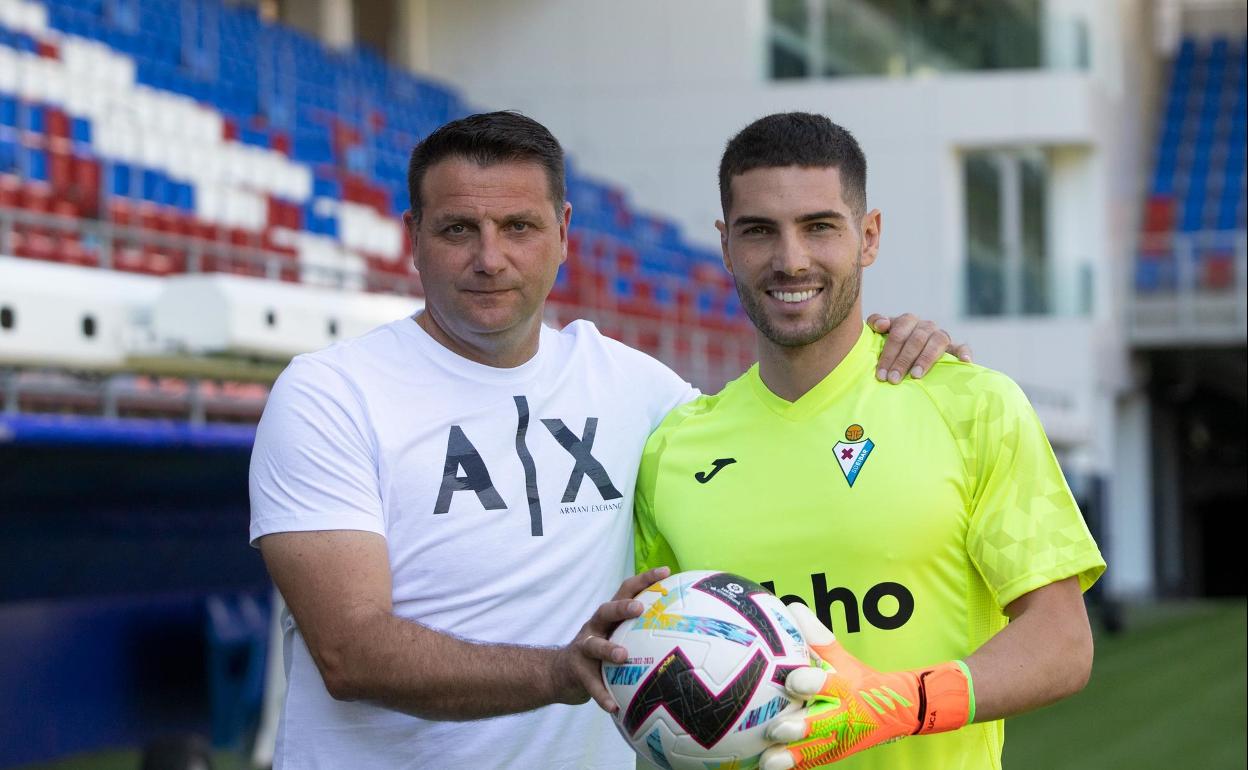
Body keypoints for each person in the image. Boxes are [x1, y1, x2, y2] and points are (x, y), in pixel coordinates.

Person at [249, 110, 967, 770]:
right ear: (413, 238)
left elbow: (783, 423)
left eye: (519, 227)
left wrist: (887, 349)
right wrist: (558, 672)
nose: (490, 258)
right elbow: (349, 652)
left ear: (564, 231)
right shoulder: (331, 394)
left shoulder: (635, 388)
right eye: (458, 229)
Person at [632, 112, 1106, 770]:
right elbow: (650, 651)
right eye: (759, 231)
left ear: (869, 235)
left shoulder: (973, 405)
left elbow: (1062, 643)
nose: (791, 258)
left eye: (819, 226)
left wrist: (896, 704)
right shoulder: (673, 449)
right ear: (725, 244)